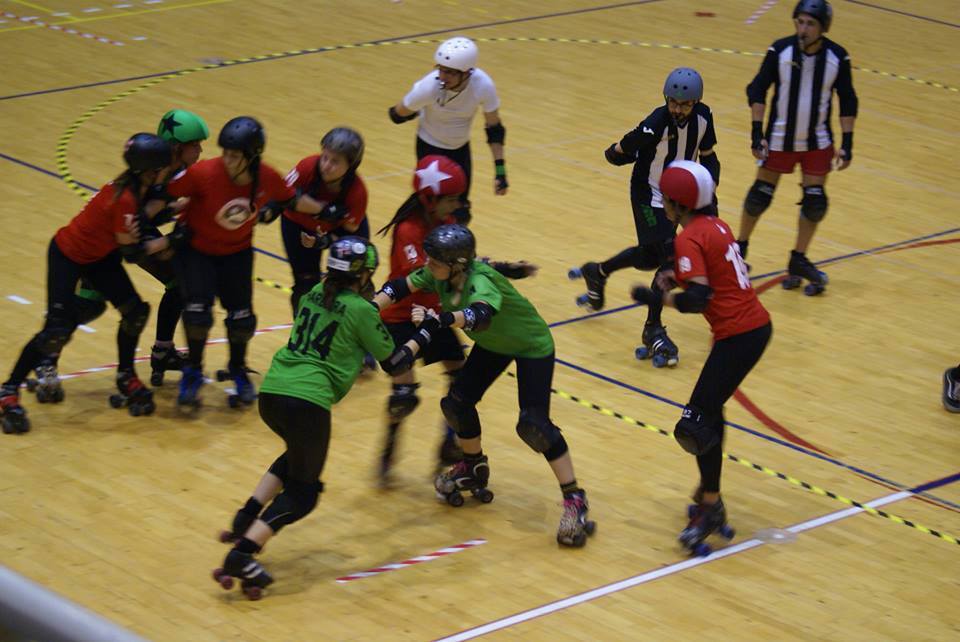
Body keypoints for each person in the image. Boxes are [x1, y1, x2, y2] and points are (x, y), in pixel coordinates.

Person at [212, 238, 436, 599]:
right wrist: (426, 331)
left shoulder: (315, 293)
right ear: (362, 276)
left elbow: (363, 308)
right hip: (307, 402)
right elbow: (396, 363)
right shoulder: (360, 311)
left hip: (273, 393)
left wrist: (416, 280)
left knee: (295, 457)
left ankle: (246, 518)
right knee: (304, 493)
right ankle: (243, 553)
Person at [373, 224, 595, 547]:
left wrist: (440, 320)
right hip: (494, 345)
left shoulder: (480, 282)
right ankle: (472, 465)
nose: (428, 265)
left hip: (531, 345)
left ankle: (574, 498)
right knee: (456, 404)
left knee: (534, 425)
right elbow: (398, 288)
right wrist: (369, 308)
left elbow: (480, 315)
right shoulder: (439, 274)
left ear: (458, 265)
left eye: (435, 261)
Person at [629, 160, 772, 555]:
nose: (664, 207)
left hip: (739, 337)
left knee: (694, 423)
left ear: (678, 204)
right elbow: (714, 270)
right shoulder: (716, 225)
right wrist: (676, 276)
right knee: (709, 412)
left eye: (666, 201)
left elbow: (698, 300)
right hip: (751, 331)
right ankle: (711, 497)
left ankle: (710, 506)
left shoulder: (688, 238)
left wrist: (657, 298)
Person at [23, 109, 211, 399]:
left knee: (180, 282)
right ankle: (47, 359)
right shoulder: (155, 169)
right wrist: (170, 236)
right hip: (110, 240)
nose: (200, 150)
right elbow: (138, 222)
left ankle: (162, 352)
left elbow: (152, 215)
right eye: (195, 144)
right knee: (89, 305)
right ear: (176, 147)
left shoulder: (174, 170)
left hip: (133, 232)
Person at [0, 134, 179, 434]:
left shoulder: (138, 186)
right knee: (56, 331)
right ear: (152, 170)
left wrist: (178, 208)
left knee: (135, 312)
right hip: (68, 255)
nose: (167, 173)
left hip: (98, 257)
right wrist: (173, 239)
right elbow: (132, 253)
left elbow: (149, 214)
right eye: (164, 168)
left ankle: (126, 375)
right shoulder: (124, 198)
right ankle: (8, 390)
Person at [165, 116, 330, 411]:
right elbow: (164, 193)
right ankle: (193, 370)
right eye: (226, 153)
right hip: (197, 252)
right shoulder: (204, 172)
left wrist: (327, 210)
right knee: (197, 314)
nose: (227, 160)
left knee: (242, 320)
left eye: (235, 155)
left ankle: (238, 368)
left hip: (237, 253)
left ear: (252, 157)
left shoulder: (266, 177)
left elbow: (291, 200)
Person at [572, 67, 720, 368]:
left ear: (696, 102)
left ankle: (597, 272)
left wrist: (709, 187)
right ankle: (653, 328)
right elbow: (620, 151)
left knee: (653, 256)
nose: (677, 110)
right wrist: (618, 151)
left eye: (685, 105)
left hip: (686, 192)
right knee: (670, 258)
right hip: (650, 195)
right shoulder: (656, 122)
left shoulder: (704, 117)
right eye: (673, 102)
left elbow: (709, 157)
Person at [736, 0, 857, 296]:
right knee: (759, 197)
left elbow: (848, 100)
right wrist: (756, 133)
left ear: (823, 28)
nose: (803, 29)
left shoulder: (837, 57)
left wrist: (847, 144)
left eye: (810, 24)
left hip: (817, 141)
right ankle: (739, 251)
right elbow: (757, 89)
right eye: (799, 22)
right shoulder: (780, 51)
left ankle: (798, 260)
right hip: (780, 139)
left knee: (815, 204)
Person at [374, 155, 469, 484]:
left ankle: (448, 444)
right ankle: (389, 448)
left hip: (432, 316)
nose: (457, 205)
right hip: (399, 317)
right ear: (430, 199)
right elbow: (423, 276)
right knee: (404, 396)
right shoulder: (409, 229)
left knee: (461, 382)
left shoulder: (446, 222)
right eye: (451, 199)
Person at [388, 36, 507, 224]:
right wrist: (415, 109)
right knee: (431, 209)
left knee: (460, 212)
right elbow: (395, 114)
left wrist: (500, 171)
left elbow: (494, 129)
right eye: (441, 69)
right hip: (429, 148)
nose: (443, 77)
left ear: (467, 73)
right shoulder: (429, 86)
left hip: (460, 150)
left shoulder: (483, 85)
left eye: (450, 72)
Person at [281, 126, 370, 315]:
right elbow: (282, 197)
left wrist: (324, 241)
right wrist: (323, 210)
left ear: (351, 165)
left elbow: (349, 231)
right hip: (298, 226)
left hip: (337, 231)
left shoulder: (357, 192)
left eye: (335, 161)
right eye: (325, 157)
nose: (326, 165)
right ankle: (303, 327)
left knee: (353, 282)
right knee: (306, 284)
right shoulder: (307, 166)